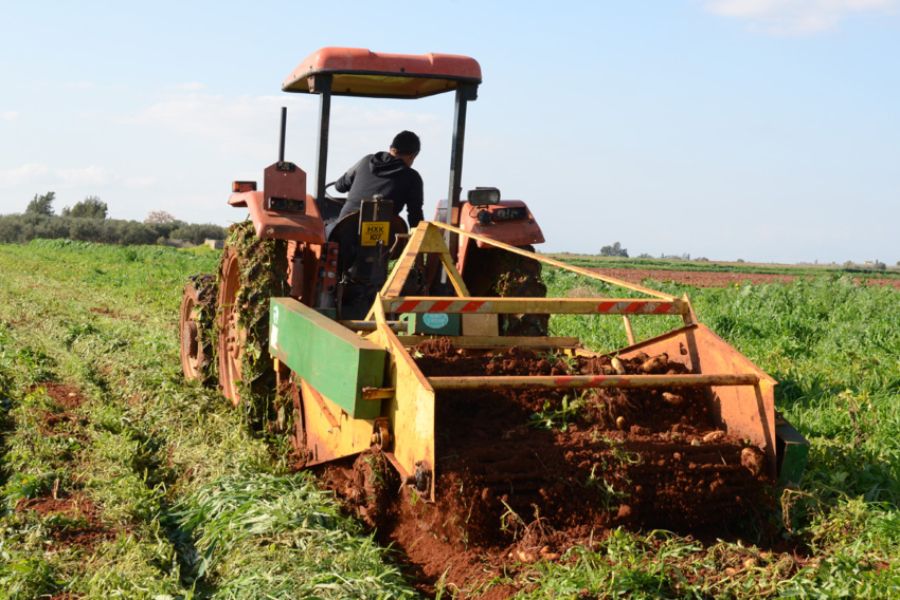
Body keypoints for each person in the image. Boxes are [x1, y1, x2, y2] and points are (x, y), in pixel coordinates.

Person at [333, 130, 424, 228]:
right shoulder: (412, 178)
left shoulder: (366, 161)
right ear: (412, 156)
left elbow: (339, 186)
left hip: (344, 232)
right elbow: (415, 216)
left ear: (391, 148)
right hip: (388, 240)